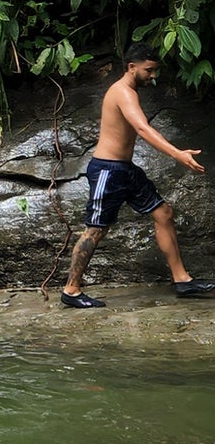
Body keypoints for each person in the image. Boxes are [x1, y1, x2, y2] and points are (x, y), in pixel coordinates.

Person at [61, 44, 212, 307]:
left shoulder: (129, 91)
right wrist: (177, 154)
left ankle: (182, 280)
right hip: (108, 170)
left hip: (125, 170)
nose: (153, 76)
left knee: (163, 212)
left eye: (155, 71)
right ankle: (71, 290)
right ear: (132, 67)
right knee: (96, 229)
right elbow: (142, 128)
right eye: (149, 70)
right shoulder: (121, 92)